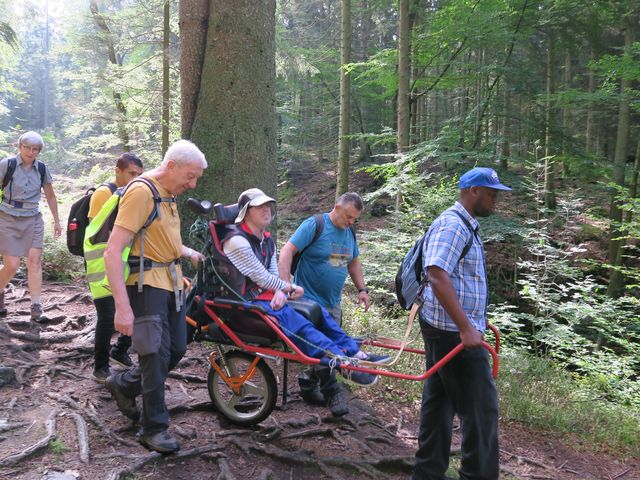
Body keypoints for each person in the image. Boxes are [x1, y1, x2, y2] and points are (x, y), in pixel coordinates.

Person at [222, 188, 387, 412]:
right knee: (304, 327)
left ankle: (355, 354)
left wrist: (280, 291)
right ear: (246, 212)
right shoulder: (237, 241)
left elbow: (269, 270)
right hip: (251, 301)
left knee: (324, 322)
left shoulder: (265, 239)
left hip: (280, 297)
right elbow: (259, 275)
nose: (267, 210)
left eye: (268, 206)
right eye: (260, 206)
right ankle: (340, 363)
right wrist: (286, 286)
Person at [103, 140, 206, 454]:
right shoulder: (141, 192)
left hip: (172, 282)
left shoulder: (169, 195)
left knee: (176, 348)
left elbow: (162, 239)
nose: (193, 184)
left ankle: (124, 384)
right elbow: (112, 251)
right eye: (190, 175)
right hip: (146, 285)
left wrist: (188, 253)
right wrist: (122, 308)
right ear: (171, 165)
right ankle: (153, 428)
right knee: (153, 355)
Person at [413, 167, 511, 480]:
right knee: (482, 411)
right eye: (492, 193)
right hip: (453, 334)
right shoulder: (453, 225)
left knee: (439, 403)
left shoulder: (466, 225)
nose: (496, 200)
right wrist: (467, 327)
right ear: (472, 191)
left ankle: (427, 473)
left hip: (448, 328)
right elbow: (437, 273)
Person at [278, 192, 370, 416]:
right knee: (326, 350)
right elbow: (287, 251)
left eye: (354, 219)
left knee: (324, 348)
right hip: (308, 303)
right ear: (337, 207)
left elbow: (354, 262)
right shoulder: (315, 225)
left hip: (333, 303)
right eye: (348, 216)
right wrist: (284, 286)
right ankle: (333, 394)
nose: (350, 222)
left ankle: (308, 386)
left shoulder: (350, 233)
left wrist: (362, 289)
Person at [88, 153, 143, 382]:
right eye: (131, 173)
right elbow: (96, 228)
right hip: (102, 262)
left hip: (125, 262)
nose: (135, 178)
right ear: (117, 171)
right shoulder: (104, 193)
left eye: (139, 175)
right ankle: (100, 367)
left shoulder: (133, 194)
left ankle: (120, 350)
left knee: (134, 307)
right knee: (107, 315)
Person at [0, 131, 61, 321]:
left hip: (33, 218)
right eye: (27, 147)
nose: (31, 152)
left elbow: (50, 196)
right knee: (12, 264)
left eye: (36, 149)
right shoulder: (7, 164)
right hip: (8, 217)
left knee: (34, 261)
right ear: (20, 147)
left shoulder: (42, 169)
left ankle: (36, 306)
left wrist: (57, 221)